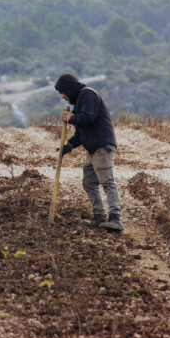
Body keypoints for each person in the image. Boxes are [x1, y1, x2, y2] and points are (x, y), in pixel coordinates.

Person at [55, 73, 123, 231]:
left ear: (68, 89)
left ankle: (115, 219)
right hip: (93, 149)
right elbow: (81, 132)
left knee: (107, 181)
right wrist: (69, 145)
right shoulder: (79, 101)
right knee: (89, 183)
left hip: (102, 146)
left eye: (62, 93)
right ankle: (99, 218)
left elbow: (88, 118)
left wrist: (69, 118)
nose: (64, 97)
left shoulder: (88, 94)